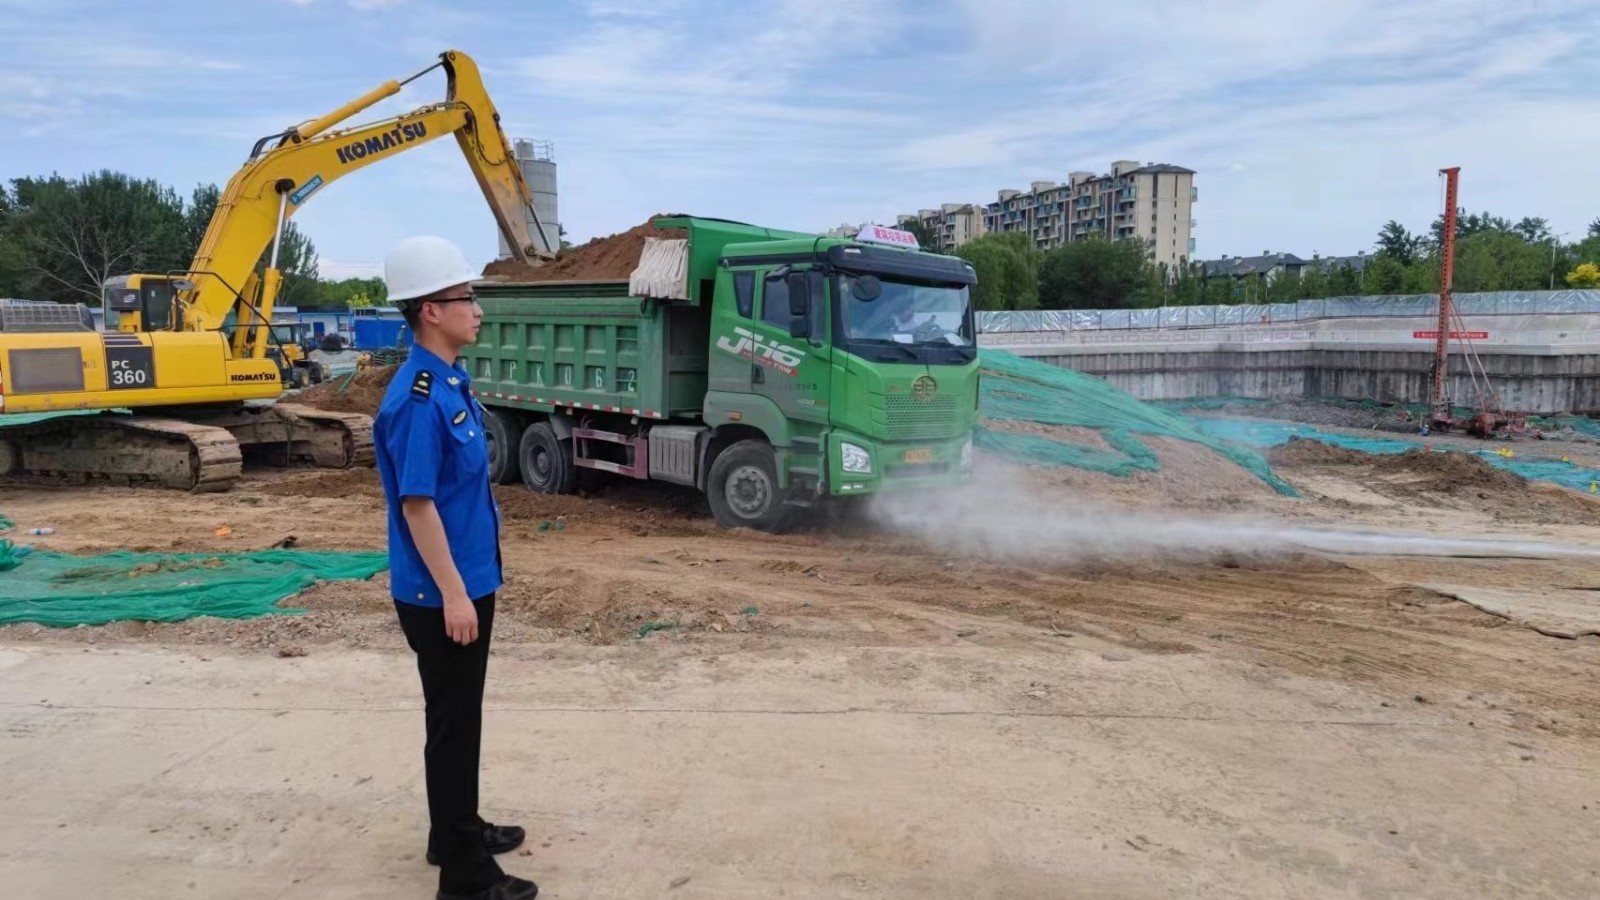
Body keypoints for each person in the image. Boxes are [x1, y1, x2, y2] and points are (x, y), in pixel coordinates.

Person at [374, 235, 538, 900]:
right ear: (430, 312)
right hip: (445, 591)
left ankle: (455, 831)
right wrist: (455, 595)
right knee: (453, 724)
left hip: (466, 578)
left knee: (457, 715)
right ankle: (464, 878)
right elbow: (418, 508)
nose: (476, 307)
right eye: (464, 296)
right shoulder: (419, 399)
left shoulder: (446, 380)